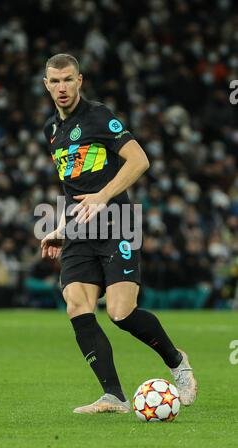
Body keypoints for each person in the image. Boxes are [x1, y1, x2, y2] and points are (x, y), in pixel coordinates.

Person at [41, 53, 197, 414]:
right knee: (76, 305)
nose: (62, 87)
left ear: (80, 81)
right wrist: (62, 228)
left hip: (117, 224)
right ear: (46, 85)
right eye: (55, 81)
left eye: (68, 80)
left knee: (120, 312)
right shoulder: (52, 130)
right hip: (80, 230)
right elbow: (72, 190)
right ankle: (114, 396)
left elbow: (140, 160)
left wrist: (102, 196)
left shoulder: (98, 116)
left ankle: (177, 362)